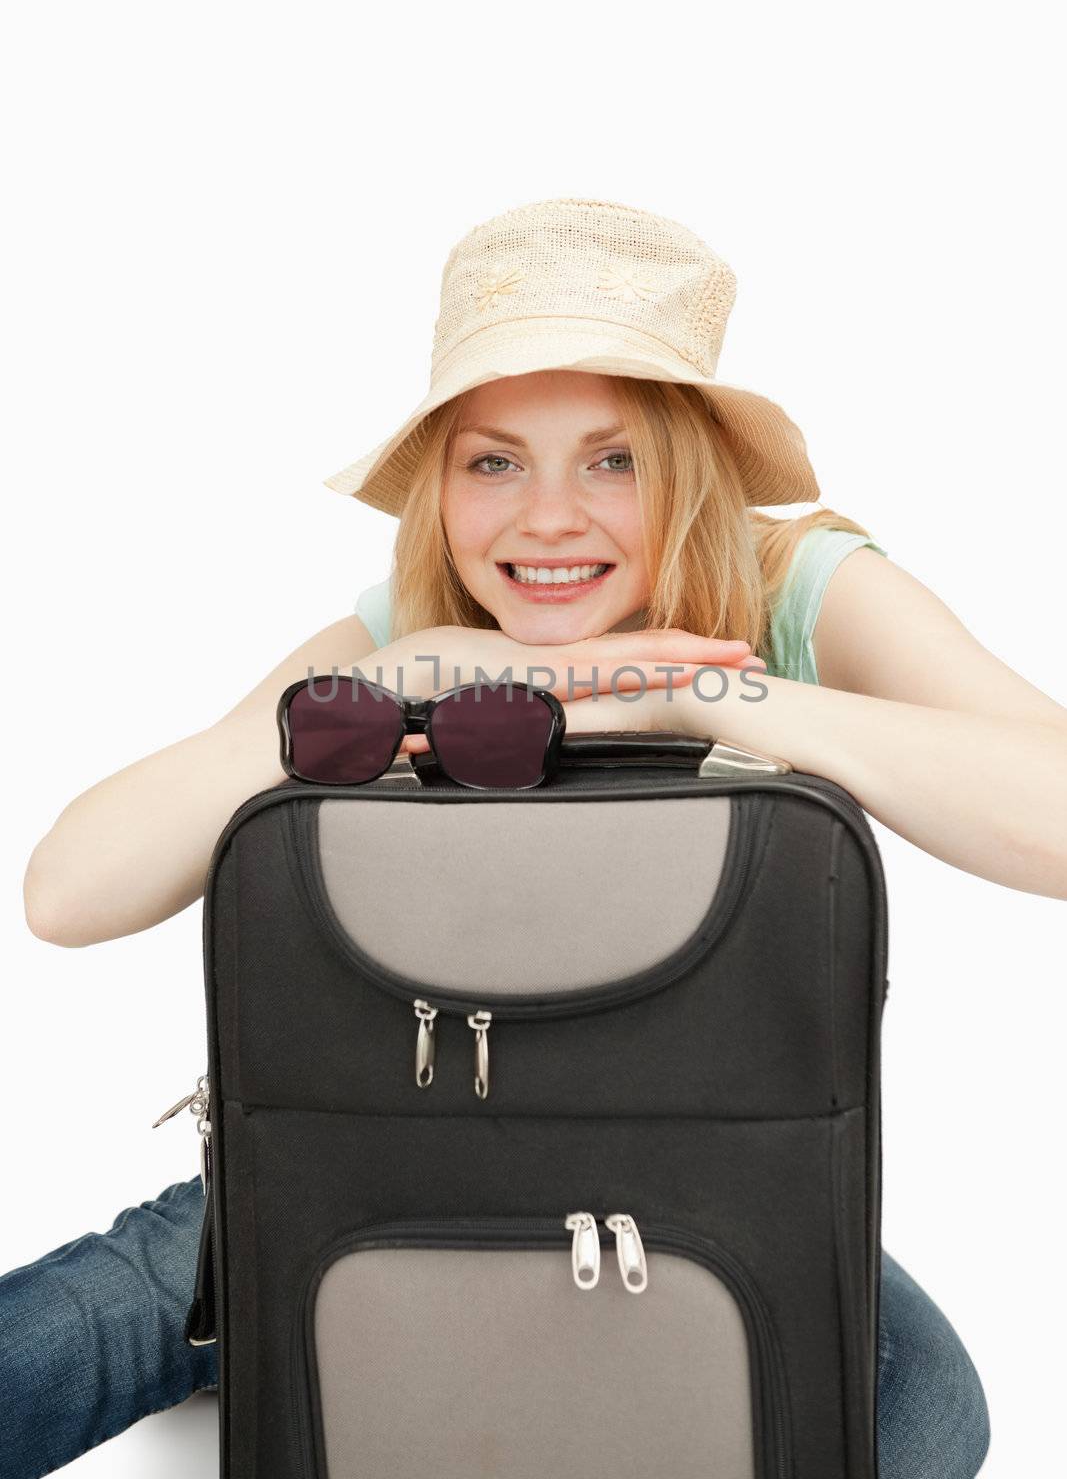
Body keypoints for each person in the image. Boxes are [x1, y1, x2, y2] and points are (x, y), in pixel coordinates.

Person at [17, 194, 1063, 1478]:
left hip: (707, 1170)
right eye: (493, 459)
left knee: (916, 1413)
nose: (546, 520)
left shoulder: (793, 583)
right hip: (374, 1137)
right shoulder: (412, 617)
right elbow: (68, 890)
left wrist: (682, 688)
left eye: (612, 459)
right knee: (114, 1310)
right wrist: (404, 673)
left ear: (689, 466)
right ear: (443, 484)